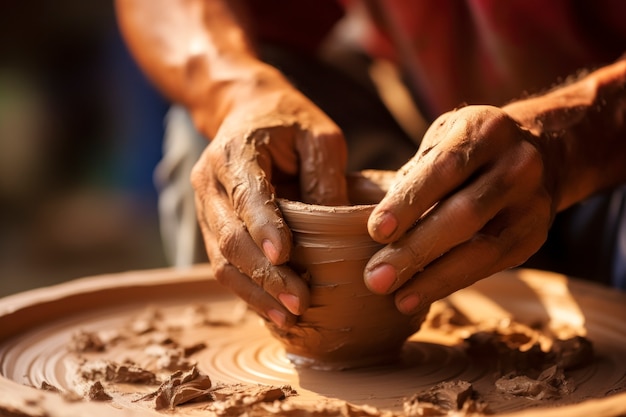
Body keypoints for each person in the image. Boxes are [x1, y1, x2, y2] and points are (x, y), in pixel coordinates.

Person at [114, 0, 626, 329]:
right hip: (437, 142)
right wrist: (235, 88)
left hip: (607, 153)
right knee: (222, 141)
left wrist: (571, 140)